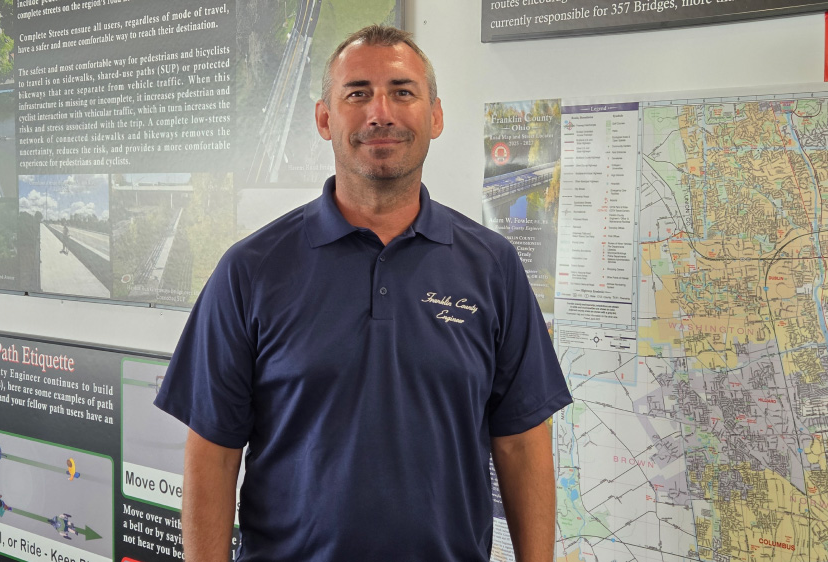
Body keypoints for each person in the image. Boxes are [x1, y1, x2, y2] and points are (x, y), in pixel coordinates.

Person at [155, 25, 572, 562]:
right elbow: (212, 455)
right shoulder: (250, 271)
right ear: (325, 118)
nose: (381, 112)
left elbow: (520, 443)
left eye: (403, 91)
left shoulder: (492, 266)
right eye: (357, 93)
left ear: (435, 116)